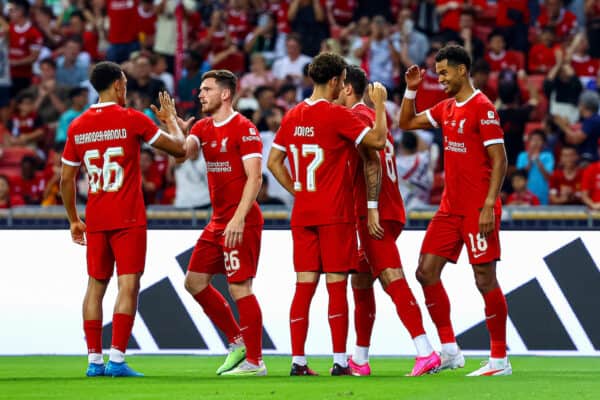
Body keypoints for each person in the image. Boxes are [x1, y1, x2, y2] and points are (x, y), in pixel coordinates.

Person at [60, 61, 187, 377]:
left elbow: (65, 179)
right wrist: (171, 121)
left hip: (97, 216)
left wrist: (74, 219)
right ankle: (116, 359)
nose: (126, 89)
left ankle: (93, 361)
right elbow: (180, 150)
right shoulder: (133, 120)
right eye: (125, 84)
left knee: (94, 286)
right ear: (118, 85)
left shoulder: (77, 125)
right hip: (128, 217)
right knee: (128, 285)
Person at [267, 52, 388, 376]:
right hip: (335, 214)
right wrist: (379, 105)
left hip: (303, 213)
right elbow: (377, 140)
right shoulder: (337, 115)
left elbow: (273, 162)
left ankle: (298, 361)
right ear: (335, 81)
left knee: (303, 286)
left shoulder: (292, 115)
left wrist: (296, 189)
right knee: (337, 285)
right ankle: (338, 360)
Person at [398, 45, 511, 376]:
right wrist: (412, 89)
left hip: (478, 208)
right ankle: (450, 350)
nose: (440, 78)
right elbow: (406, 121)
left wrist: (490, 204)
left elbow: (500, 159)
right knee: (425, 272)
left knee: (484, 277)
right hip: (449, 208)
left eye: (444, 72)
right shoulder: (447, 108)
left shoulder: (483, 108)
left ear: (463, 70)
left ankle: (499, 359)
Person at [337, 65, 440, 377]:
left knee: (391, 276)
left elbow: (372, 162)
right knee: (362, 280)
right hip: (390, 209)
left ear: (347, 89)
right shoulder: (372, 117)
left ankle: (425, 351)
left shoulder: (356, 117)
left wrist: (370, 208)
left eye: (337, 87)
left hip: (372, 213)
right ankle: (360, 358)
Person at [178, 69, 267, 376]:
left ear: (225, 94)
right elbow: (183, 154)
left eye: (207, 89)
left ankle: (256, 362)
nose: (200, 94)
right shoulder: (202, 128)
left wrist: (239, 219)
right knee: (194, 282)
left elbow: (255, 178)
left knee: (240, 286)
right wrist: (171, 126)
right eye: (201, 89)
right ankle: (237, 341)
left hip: (241, 221)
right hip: (217, 221)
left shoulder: (244, 128)